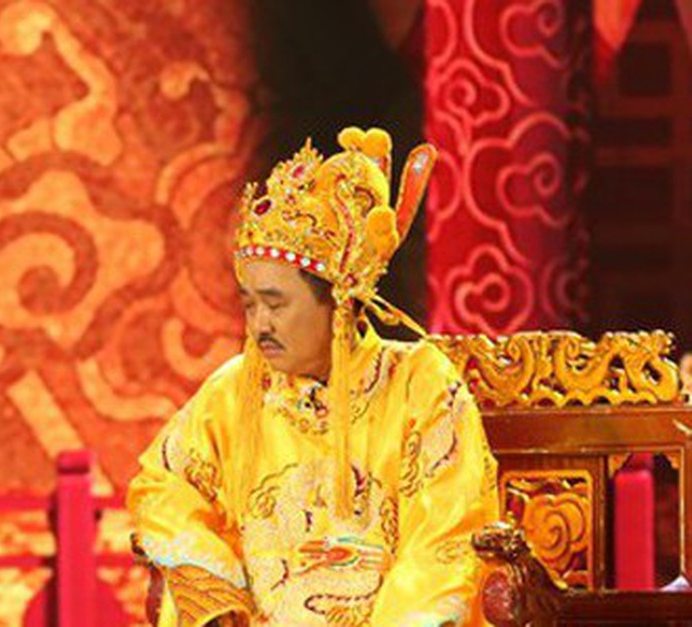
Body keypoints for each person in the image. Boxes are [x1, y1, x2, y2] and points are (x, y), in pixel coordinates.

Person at [127, 127, 500, 625]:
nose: (259, 324)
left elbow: (446, 541)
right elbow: (163, 485)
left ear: (339, 302)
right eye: (250, 304)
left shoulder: (418, 384)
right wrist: (215, 592)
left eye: (276, 304)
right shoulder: (234, 392)